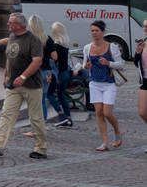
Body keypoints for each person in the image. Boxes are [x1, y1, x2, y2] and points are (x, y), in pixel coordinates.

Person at [0, 13, 47, 160]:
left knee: (36, 118)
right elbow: (9, 56)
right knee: (6, 115)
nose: (7, 24)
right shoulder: (12, 37)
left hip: (32, 85)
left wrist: (23, 76)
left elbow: (37, 61)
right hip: (13, 85)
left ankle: (41, 148)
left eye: (10, 22)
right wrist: (6, 76)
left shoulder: (33, 40)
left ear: (19, 25)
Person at [81, 20, 124, 151]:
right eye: (92, 31)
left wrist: (108, 63)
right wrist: (86, 66)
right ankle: (105, 142)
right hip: (94, 82)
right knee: (99, 113)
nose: (94, 33)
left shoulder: (111, 47)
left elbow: (120, 64)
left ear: (103, 32)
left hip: (109, 83)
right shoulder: (87, 48)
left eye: (97, 31)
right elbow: (84, 64)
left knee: (107, 113)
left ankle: (117, 132)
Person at [49, 21, 74, 128]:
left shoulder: (56, 46)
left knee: (49, 94)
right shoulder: (65, 44)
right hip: (65, 72)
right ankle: (68, 119)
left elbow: (54, 61)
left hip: (58, 73)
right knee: (62, 95)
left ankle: (61, 115)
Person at [134, 18, 147, 150]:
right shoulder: (143, 43)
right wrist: (137, 52)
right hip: (145, 81)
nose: (144, 28)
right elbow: (135, 63)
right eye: (144, 26)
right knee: (142, 112)